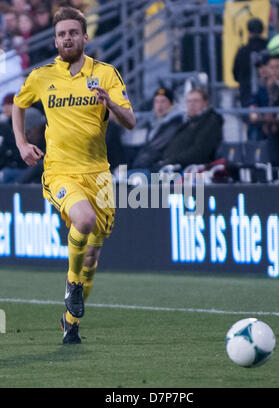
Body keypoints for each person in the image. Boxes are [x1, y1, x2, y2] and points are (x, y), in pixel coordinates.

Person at [12, 6, 136, 344]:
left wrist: (110, 103)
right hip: (60, 171)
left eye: (72, 32)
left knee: (93, 255)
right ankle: (73, 284)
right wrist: (22, 143)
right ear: (55, 41)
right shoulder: (42, 76)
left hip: (99, 174)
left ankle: (71, 322)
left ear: (84, 36)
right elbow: (19, 105)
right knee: (82, 220)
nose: (67, 38)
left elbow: (130, 121)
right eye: (61, 34)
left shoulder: (107, 73)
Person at [154, 89, 223, 170]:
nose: (192, 104)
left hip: (188, 171)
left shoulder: (211, 122)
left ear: (205, 103)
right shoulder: (188, 122)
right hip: (169, 166)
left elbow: (198, 152)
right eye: (189, 101)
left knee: (146, 176)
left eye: (196, 101)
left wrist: (171, 161)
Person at [130, 88, 183, 171]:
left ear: (172, 104)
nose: (159, 105)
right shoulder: (152, 124)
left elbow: (156, 148)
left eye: (163, 101)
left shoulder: (176, 123)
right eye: (156, 101)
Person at [233, 18, 268, 108]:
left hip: (246, 91)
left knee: (249, 118)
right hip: (266, 90)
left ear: (248, 31)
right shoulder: (269, 47)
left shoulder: (242, 51)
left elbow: (235, 73)